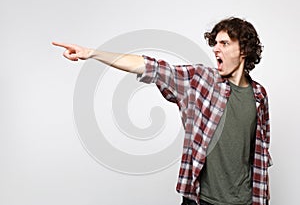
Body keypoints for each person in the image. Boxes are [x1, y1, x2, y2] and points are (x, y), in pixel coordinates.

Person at [52, 17, 272, 205]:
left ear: (243, 50)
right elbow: (152, 67)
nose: (216, 48)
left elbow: (259, 153)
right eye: (215, 43)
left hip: (245, 200)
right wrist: (92, 53)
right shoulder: (201, 80)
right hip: (201, 199)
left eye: (224, 43)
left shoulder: (259, 96)